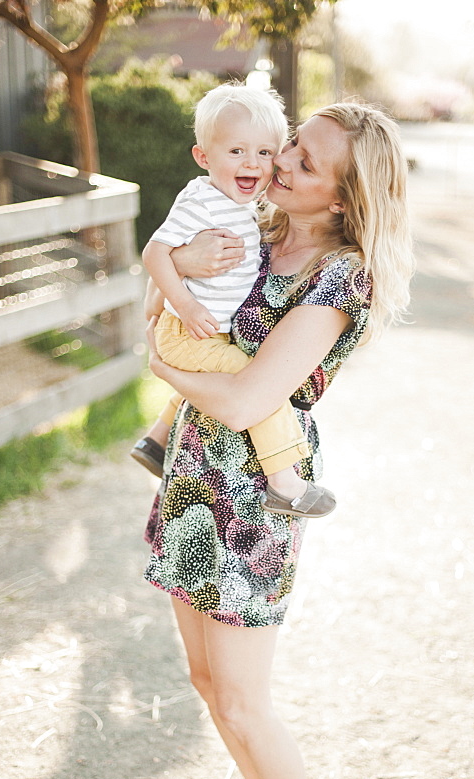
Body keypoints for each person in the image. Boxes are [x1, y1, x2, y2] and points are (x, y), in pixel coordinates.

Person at [142, 102, 414, 779]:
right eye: (292, 143)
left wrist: (159, 359)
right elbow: (161, 269)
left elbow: (251, 398)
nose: (283, 160)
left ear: (340, 198)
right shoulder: (249, 221)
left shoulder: (341, 277)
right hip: (193, 477)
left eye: (306, 160)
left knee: (244, 698)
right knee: (204, 679)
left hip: (257, 495)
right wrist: (175, 268)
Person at [132, 82, 335, 518]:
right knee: (250, 378)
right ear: (204, 158)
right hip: (189, 327)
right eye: (238, 152)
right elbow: (154, 253)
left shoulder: (247, 206)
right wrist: (182, 297)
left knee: (228, 364)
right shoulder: (203, 200)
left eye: (265, 152)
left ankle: (156, 438)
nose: (256, 164)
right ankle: (284, 482)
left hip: (200, 333)